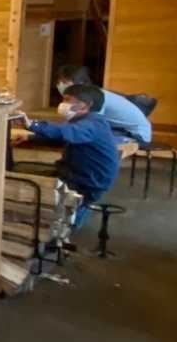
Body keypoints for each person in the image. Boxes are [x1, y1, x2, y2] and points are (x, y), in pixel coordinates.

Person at [18, 83, 121, 231]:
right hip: (83, 175)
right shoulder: (85, 122)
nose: (63, 104)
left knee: (67, 217)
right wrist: (30, 138)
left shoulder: (93, 123)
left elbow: (66, 132)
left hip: (88, 182)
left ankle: (63, 232)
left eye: (68, 100)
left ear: (86, 105)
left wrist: (32, 125)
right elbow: (64, 137)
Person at [54, 64, 153, 144]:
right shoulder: (88, 94)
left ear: (80, 83)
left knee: (87, 137)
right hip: (121, 129)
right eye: (59, 81)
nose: (60, 85)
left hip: (137, 135)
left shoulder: (95, 97)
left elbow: (93, 123)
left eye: (64, 82)